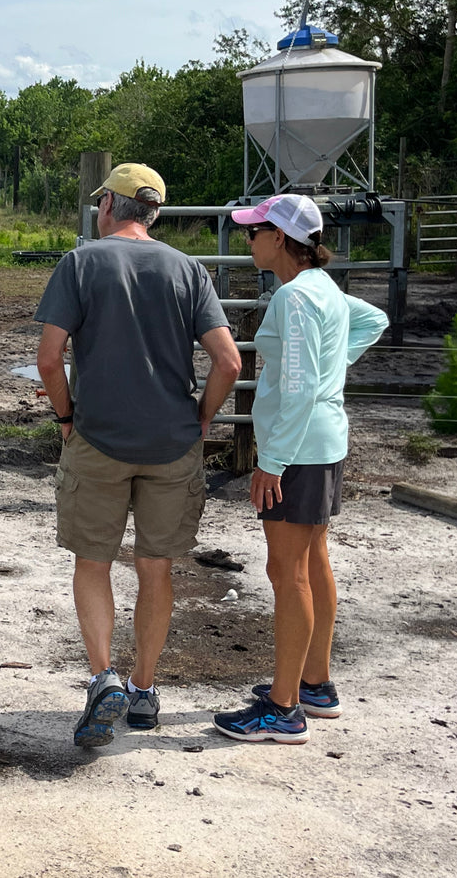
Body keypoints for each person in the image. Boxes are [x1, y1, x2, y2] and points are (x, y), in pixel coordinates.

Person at [35, 163, 242, 747]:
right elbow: (228, 363)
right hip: (172, 443)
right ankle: (145, 690)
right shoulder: (188, 269)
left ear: (109, 206)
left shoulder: (80, 263)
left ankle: (104, 679)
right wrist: (202, 417)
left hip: (97, 439)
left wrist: (67, 418)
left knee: (93, 561)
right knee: (156, 569)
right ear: (152, 213)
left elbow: (50, 359)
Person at [213, 195, 388, 744]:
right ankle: (315, 684)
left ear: (281, 239)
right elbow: (373, 319)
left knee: (286, 573)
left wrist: (272, 462)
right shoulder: (326, 292)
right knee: (312, 562)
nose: (249, 240)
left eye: (255, 231)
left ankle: (284, 708)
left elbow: (298, 386)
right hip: (325, 443)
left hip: (300, 452)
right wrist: (336, 365)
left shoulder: (294, 297)